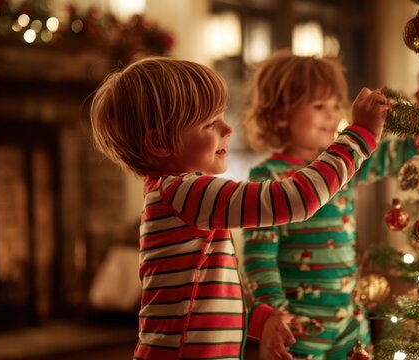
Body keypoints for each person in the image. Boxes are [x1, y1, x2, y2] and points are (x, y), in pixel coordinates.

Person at [88, 57, 388, 360]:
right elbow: (294, 200)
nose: (227, 127)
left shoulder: (176, 196)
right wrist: (358, 136)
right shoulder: (185, 191)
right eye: (209, 123)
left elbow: (207, 292)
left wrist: (260, 319)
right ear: (159, 144)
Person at [242, 51, 416, 359]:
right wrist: (274, 315)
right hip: (298, 326)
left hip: (350, 320)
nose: (332, 114)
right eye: (319, 106)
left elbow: (388, 156)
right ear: (281, 114)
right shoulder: (266, 178)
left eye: (336, 104)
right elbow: (259, 259)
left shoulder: (342, 167)